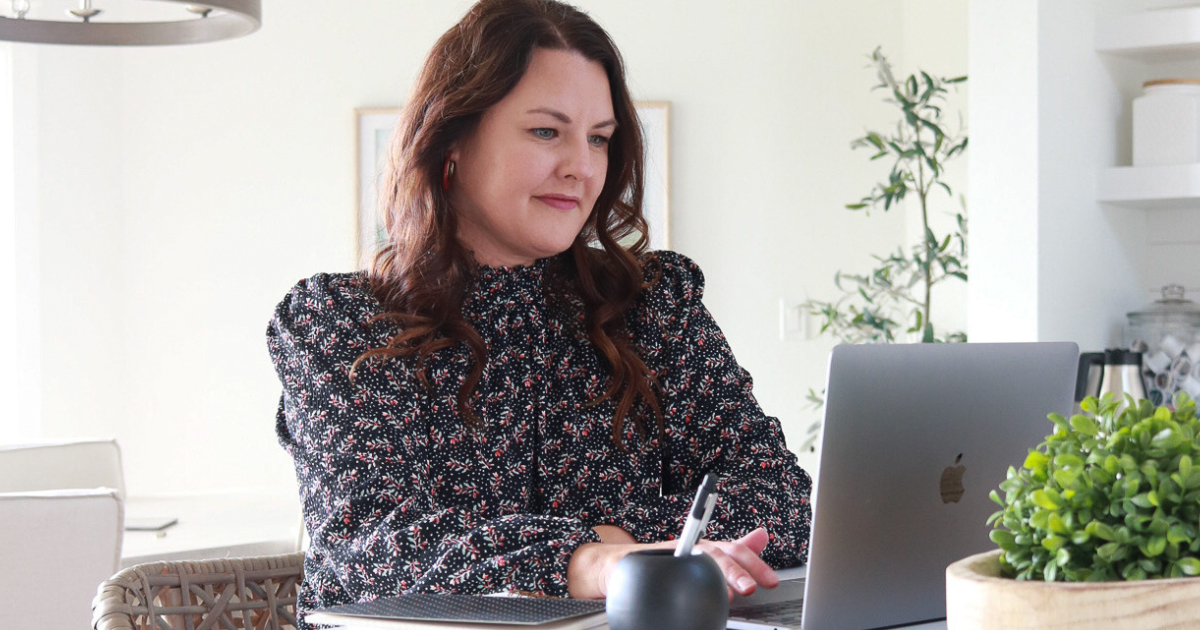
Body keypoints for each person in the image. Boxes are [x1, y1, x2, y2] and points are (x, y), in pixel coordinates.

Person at [267, 0, 812, 626]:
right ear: (451, 142)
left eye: (599, 139)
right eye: (546, 131)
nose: (581, 167)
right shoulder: (340, 321)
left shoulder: (654, 303)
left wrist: (605, 546)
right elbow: (371, 551)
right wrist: (598, 560)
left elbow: (783, 503)